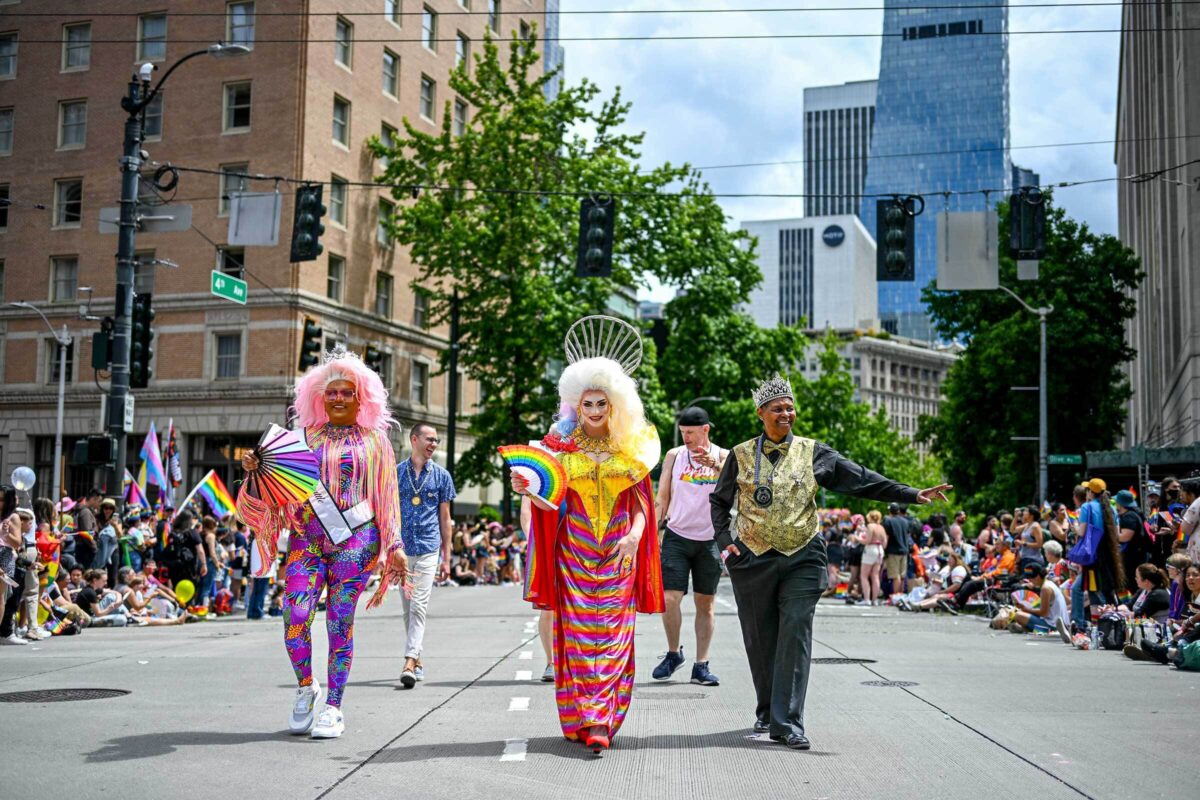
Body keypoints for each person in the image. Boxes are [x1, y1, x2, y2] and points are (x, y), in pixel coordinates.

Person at [710, 374, 949, 751]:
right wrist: (726, 544)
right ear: (761, 414)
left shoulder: (813, 452)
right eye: (778, 408)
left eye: (790, 406)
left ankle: (787, 722)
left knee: (796, 631)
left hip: (803, 555)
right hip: (752, 558)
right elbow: (719, 503)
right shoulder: (739, 455)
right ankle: (768, 708)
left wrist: (911, 493)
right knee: (761, 638)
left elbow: (861, 480)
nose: (786, 413)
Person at [238, 346, 406, 740]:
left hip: (357, 540)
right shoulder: (298, 439)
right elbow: (271, 494)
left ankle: (333, 707)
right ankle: (305, 687)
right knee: (294, 618)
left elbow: (387, 496)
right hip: (307, 539)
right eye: (332, 392)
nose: (339, 398)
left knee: (339, 623)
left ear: (361, 396)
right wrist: (254, 470)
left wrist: (394, 544)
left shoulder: (375, 441)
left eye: (347, 392)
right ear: (318, 396)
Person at [516, 317, 664, 753]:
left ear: (615, 405)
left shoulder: (633, 449)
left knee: (614, 635)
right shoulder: (559, 449)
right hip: (573, 553)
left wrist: (635, 538)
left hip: (620, 551)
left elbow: (642, 506)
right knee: (578, 635)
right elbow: (551, 503)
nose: (595, 411)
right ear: (575, 407)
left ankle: (601, 718)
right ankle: (582, 715)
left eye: (602, 403)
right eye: (587, 404)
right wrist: (530, 489)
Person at [652, 405, 727, 686]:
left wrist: (715, 466)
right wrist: (654, 530)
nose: (686, 438)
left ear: (705, 430)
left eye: (691, 433)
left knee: (704, 604)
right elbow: (662, 496)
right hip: (677, 535)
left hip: (709, 539)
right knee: (670, 598)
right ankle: (673, 653)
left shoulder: (723, 456)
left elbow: (738, 486)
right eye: (683, 433)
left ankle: (701, 665)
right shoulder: (675, 456)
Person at [396, 422, 456, 689]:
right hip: (402, 550)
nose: (433, 444)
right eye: (429, 439)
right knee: (408, 608)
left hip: (429, 548)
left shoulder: (442, 476)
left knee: (419, 605)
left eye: (436, 440)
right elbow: (388, 514)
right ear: (414, 440)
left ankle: (409, 660)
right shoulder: (395, 474)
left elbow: (446, 518)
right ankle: (418, 658)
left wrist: (447, 556)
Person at [1068, 478, 1126, 631]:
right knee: (1103, 590)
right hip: (1109, 555)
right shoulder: (1111, 509)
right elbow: (1117, 534)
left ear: (1090, 492)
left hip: (1092, 557)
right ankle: (1110, 624)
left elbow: (1081, 532)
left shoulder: (1087, 507)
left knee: (1087, 589)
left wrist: (1074, 526)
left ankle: (1079, 625)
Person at [520, 497, 555, 682]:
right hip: (547, 542)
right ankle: (551, 662)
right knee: (548, 606)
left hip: (578, 542)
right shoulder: (543, 471)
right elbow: (526, 510)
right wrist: (534, 540)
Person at [941, 537, 1016, 614]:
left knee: (970, 584)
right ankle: (957, 604)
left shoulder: (1008, 557)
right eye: (995, 544)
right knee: (968, 582)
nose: (995, 546)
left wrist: (981, 577)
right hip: (993, 579)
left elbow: (998, 572)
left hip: (997, 581)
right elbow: (992, 570)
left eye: (998, 544)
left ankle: (955, 602)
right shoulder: (1002, 556)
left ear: (1005, 545)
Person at [1008, 563, 1069, 636]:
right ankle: (1027, 628)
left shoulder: (1045, 588)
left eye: (1030, 578)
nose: (1029, 581)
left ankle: (1034, 629)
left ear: (1037, 577)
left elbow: (1044, 613)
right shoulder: (1048, 583)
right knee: (1022, 614)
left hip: (1053, 625)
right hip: (1057, 622)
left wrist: (1025, 609)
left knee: (1018, 615)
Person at [1114, 490, 1149, 587]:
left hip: (1133, 559)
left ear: (1120, 504)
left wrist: (1114, 529)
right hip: (1134, 557)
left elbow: (1124, 537)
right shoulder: (1131, 515)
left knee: (1132, 585)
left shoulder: (1129, 516)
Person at [857, 510, 887, 606]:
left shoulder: (870, 526)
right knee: (875, 576)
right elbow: (885, 543)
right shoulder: (881, 527)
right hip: (880, 550)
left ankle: (867, 599)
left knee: (864, 576)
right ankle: (875, 600)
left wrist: (857, 538)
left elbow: (867, 541)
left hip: (871, 549)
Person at [882, 503, 912, 597]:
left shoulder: (888, 521)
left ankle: (896, 596)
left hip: (893, 550)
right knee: (902, 575)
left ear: (890, 511)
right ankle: (901, 595)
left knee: (895, 576)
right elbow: (907, 536)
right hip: (904, 550)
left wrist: (883, 550)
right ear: (898, 510)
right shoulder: (905, 521)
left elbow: (886, 537)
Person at [72, 489, 101, 571]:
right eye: (98, 501)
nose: (99, 504)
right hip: (86, 548)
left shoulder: (82, 510)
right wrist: (94, 547)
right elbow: (87, 533)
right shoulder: (85, 512)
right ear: (93, 499)